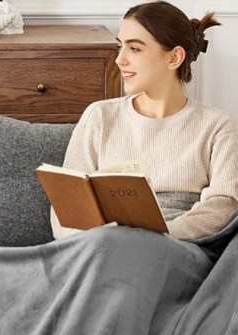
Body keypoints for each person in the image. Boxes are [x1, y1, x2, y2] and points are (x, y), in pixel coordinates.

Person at [52, 1, 238, 241]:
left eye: (135, 49)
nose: (120, 60)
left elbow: (223, 207)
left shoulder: (219, 127)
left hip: (179, 247)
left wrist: (155, 235)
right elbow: (67, 205)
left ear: (174, 58)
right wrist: (99, 240)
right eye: (121, 47)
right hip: (102, 245)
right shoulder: (99, 116)